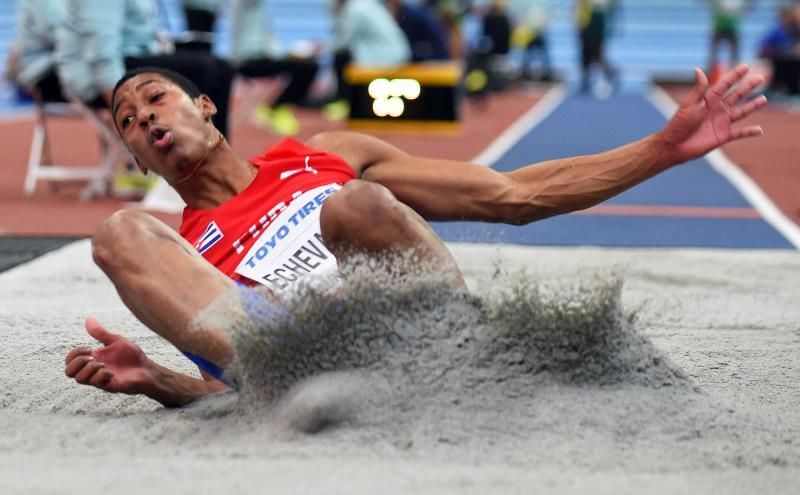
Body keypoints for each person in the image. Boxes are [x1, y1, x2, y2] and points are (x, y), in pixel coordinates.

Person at [64, 64, 768, 407]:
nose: (145, 118)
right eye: (127, 121)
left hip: (423, 334)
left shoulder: (323, 154)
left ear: (204, 105)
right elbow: (224, 393)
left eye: (155, 97)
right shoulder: (184, 258)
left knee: (354, 206)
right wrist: (156, 380)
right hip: (308, 367)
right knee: (121, 231)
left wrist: (663, 149)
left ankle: (454, 350)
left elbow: (513, 195)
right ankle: (307, 391)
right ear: (138, 158)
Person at [55, 0, 234, 137]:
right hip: (97, 78)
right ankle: (202, 164)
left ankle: (215, 160)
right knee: (207, 70)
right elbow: (101, 54)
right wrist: (125, 111)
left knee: (220, 68)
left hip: (131, 59)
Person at [326, 0, 412, 120]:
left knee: (340, 57)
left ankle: (343, 101)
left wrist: (323, 48)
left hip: (384, 57)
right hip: (397, 53)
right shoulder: (367, 4)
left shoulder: (355, 9)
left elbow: (345, 41)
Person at [576, 0, 618, 94]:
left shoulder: (599, 11)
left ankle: (610, 73)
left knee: (597, 56)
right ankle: (585, 82)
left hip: (596, 30)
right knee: (585, 57)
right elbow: (579, 9)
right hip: (585, 28)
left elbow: (611, 6)